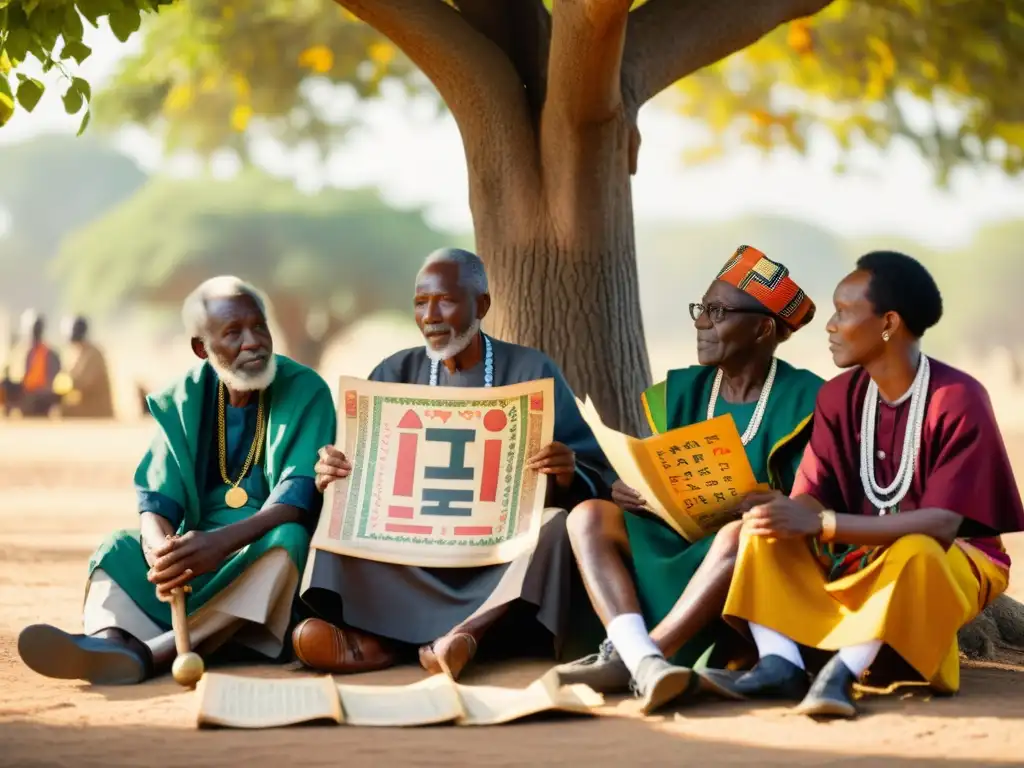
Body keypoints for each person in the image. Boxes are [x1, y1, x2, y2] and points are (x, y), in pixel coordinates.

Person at [704, 251, 1024, 719]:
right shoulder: (838, 396)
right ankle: (780, 663)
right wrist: (787, 510)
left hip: (951, 558)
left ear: (889, 323)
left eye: (844, 312)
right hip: (858, 550)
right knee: (762, 528)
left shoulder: (957, 397)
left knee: (913, 550)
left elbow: (941, 524)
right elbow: (811, 495)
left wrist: (824, 523)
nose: (830, 326)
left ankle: (843, 672)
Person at [296, 247, 615, 682]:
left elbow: (592, 471)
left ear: (481, 305)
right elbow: (361, 467)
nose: (430, 314)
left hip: (494, 552)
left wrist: (565, 470)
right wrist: (333, 470)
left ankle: (466, 633)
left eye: (445, 300)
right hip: (409, 546)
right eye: (420, 303)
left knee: (556, 525)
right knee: (340, 520)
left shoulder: (530, 370)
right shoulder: (394, 372)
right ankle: (380, 641)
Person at [18, 277, 335, 684]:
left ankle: (152, 653)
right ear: (202, 348)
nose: (253, 341)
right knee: (116, 545)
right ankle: (110, 639)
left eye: (259, 327)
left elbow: (296, 499)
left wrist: (219, 543)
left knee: (289, 539)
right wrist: (160, 551)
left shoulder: (305, 389)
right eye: (233, 333)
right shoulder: (183, 397)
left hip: (258, 557)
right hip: (193, 560)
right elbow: (155, 502)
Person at [555, 245, 823, 712]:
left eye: (717, 312)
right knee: (589, 516)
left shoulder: (807, 398)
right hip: (674, 537)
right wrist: (630, 491)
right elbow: (659, 468)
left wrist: (774, 499)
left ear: (762, 327)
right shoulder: (681, 391)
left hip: (749, 557)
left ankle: (643, 656)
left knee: (744, 533)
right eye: (701, 310)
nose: (701, 323)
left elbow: (817, 501)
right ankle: (636, 652)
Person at [4, 311, 60, 417]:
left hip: (42, 397)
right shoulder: (20, 352)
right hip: (25, 394)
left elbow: (52, 381)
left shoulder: (49, 354)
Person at [59, 316, 114, 419]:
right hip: (84, 408)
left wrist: (59, 385)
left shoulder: (93, 354)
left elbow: (81, 382)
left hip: (96, 412)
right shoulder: (75, 354)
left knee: (60, 412)